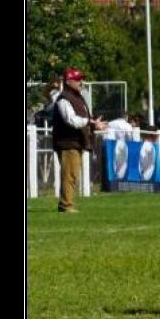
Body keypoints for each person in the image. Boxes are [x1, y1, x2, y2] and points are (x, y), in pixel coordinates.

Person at [52, 67, 106, 213]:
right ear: (68, 81)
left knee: (73, 174)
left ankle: (66, 203)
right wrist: (90, 122)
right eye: (77, 79)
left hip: (76, 142)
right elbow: (71, 120)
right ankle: (66, 205)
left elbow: (84, 119)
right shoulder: (63, 99)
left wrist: (94, 123)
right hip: (67, 142)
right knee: (70, 175)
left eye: (81, 78)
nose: (81, 81)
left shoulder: (78, 97)